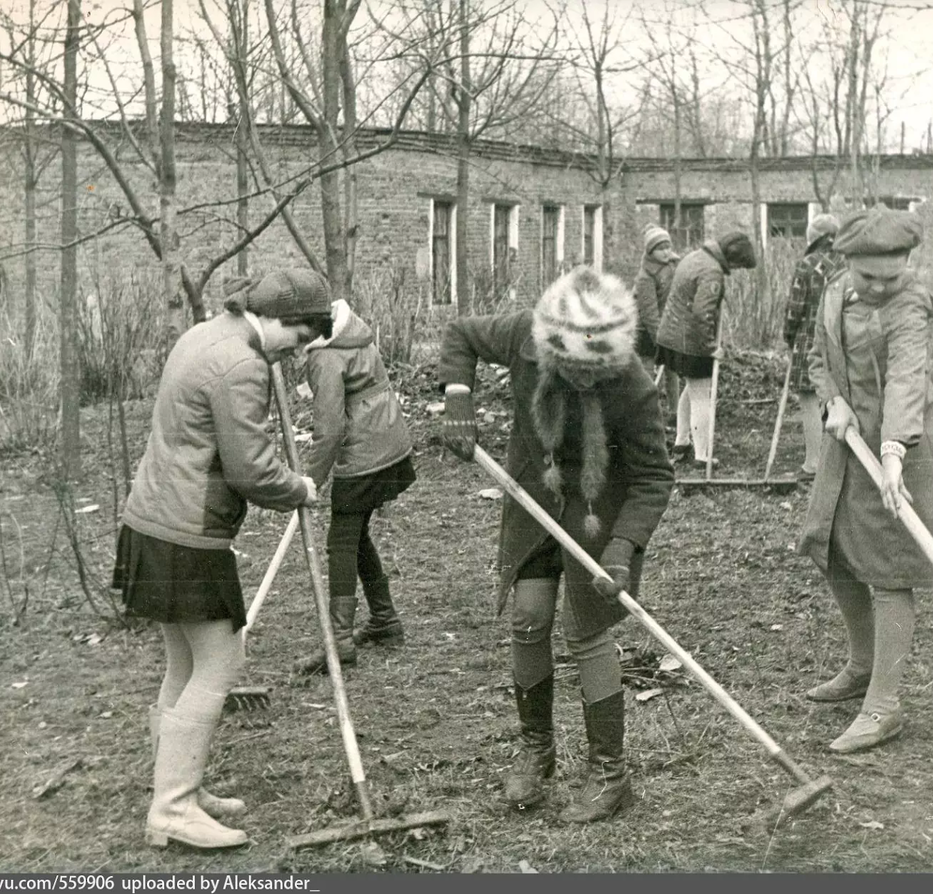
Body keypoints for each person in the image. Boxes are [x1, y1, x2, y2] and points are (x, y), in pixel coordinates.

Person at [439, 265, 674, 823]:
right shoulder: (524, 332)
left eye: (597, 373)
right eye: (574, 371)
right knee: (528, 616)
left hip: (599, 512)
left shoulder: (632, 384)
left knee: (586, 630)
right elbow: (461, 335)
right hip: (531, 490)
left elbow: (653, 477)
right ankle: (536, 751)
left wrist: (621, 548)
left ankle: (609, 773)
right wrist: (457, 399)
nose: (586, 383)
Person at [112, 269, 330, 849]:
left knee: (183, 665)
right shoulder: (242, 365)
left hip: (150, 521)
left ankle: (176, 786)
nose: (298, 351)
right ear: (281, 320)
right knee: (221, 662)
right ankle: (174, 808)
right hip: (187, 533)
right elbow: (251, 470)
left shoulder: (205, 334)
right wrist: (299, 488)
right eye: (301, 337)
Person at [798, 207, 933, 754]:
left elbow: (905, 378)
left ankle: (885, 705)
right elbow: (815, 355)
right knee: (835, 552)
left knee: (890, 572)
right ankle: (861, 666)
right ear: (846, 263)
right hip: (846, 445)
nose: (879, 286)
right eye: (868, 276)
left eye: (890, 276)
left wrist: (893, 451)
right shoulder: (833, 291)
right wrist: (834, 401)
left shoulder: (909, 304)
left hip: (902, 449)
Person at [295, 291, 417, 674]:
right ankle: (384, 619)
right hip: (392, 439)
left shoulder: (325, 356)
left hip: (366, 451)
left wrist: (308, 482)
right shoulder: (353, 331)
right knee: (356, 531)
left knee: (341, 541)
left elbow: (329, 431)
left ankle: (340, 642)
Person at [654, 230, 757, 471]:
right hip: (690, 343)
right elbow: (703, 313)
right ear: (732, 259)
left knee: (691, 390)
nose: (737, 270)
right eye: (739, 265)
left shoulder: (695, 256)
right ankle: (702, 457)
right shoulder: (712, 272)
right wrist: (710, 347)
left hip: (671, 337)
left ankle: (681, 443)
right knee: (702, 396)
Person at [782, 214, 845, 480]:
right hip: (841, 341)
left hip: (808, 341)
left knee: (808, 401)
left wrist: (788, 335)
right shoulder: (847, 264)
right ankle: (841, 461)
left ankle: (813, 463)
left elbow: (794, 309)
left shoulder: (806, 265)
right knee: (837, 399)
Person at [632, 224, 679, 381]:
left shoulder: (674, 265)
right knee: (647, 374)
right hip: (647, 331)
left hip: (668, 326)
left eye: (668, 247)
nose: (666, 252)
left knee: (672, 372)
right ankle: (649, 405)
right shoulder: (645, 277)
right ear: (651, 251)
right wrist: (661, 341)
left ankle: (675, 406)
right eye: (661, 249)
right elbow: (649, 314)